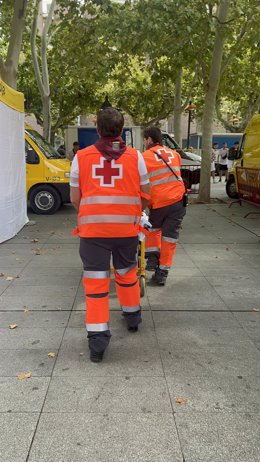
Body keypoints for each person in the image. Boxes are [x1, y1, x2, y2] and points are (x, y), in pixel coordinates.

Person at [70, 108, 150, 363]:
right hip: (126, 231)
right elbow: (146, 193)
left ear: (98, 130)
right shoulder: (136, 157)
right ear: (122, 129)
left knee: (95, 285)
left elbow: (75, 199)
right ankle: (132, 317)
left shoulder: (80, 158)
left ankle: (97, 342)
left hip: (93, 233)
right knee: (127, 273)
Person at [142, 126, 186, 286]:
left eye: (144, 139)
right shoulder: (174, 154)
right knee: (169, 238)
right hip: (178, 202)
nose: (144, 142)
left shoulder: (144, 157)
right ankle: (162, 273)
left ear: (149, 139)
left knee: (153, 230)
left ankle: (152, 258)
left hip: (159, 202)